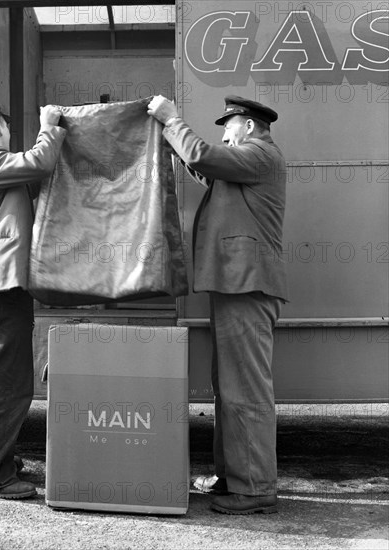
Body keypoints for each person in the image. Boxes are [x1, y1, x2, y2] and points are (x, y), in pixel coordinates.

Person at [147, 95, 287, 515]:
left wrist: (173, 120)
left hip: (246, 286)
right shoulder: (245, 165)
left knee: (245, 391)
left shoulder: (260, 154)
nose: (223, 135)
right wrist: (172, 140)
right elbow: (205, 166)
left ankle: (255, 488)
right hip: (235, 286)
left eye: (227, 127)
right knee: (230, 389)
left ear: (246, 125)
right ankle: (235, 477)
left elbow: (206, 157)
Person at [0, 100, 66, 499]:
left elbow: (33, 181)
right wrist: (49, 126)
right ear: (0, 127)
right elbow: (38, 163)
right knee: (8, 384)